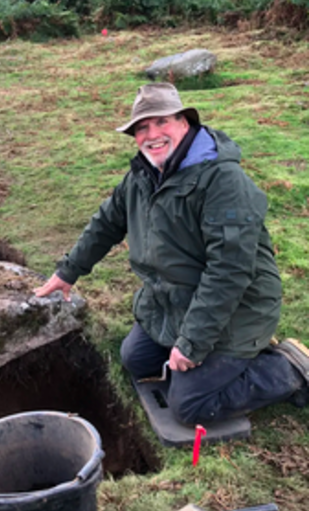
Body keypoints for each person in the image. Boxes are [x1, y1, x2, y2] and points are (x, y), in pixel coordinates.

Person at [34, 82, 309, 426]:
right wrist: (66, 272)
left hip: (239, 307)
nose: (152, 134)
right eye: (142, 128)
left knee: (190, 406)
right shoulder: (142, 176)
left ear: (184, 122)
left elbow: (229, 272)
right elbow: (106, 223)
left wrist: (193, 341)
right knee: (136, 359)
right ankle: (220, 357)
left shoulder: (223, 180)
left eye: (161, 122)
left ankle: (287, 367)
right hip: (175, 300)